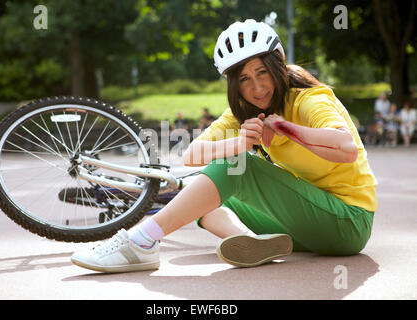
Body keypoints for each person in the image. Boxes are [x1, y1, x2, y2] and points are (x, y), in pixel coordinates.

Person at [71, 19, 377, 273]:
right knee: (200, 199)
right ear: (233, 85)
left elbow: (346, 147)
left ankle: (141, 241)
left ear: (278, 67)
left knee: (236, 167)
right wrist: (239, 141)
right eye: (244, 79)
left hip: (347, 222)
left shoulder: (309, 99)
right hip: (304, 224)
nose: (256, 87)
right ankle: (252, 242)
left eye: (261, 73)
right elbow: (193, 156)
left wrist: (284, 128)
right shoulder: (242, 112)